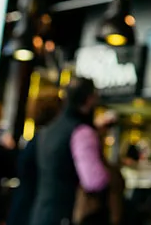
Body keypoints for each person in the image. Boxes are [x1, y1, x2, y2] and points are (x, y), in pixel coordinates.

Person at [30, 77, 110, 225]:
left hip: (42, 214)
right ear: (89, 99)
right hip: (66, 216)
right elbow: (94, 181)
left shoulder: (47, 131)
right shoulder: (82, 131)